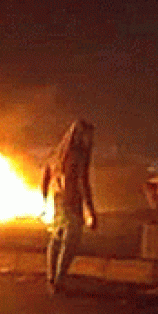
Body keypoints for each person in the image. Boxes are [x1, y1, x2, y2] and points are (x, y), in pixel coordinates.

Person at [41, 119, 98, 294]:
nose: (91, 139)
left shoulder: (58, 153)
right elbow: (82, 182)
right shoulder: (79, 154)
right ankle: (59, 279)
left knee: (57, 238)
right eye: (88, 135)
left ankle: (52, 277)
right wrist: (90, 210)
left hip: (58, 200)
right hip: (72, 201)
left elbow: (45, 176)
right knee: (71, 241)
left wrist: (45, 200)